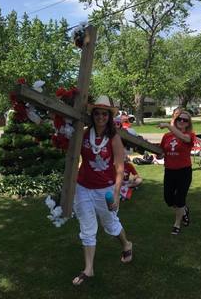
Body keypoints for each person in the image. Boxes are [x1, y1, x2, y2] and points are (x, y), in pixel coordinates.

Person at [72, 97, 133, 286]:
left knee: (110, 223)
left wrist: (116, 193)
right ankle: (88, 269)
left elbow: (120, 168)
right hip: (83, 187)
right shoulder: (83, 134)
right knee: (87, 227)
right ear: (92, 115)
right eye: (97, 113)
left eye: (104, 113)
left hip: (105, 189)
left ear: (109, 116)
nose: (100, 116)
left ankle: (126, 244)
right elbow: (71, 153)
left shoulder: (114, 138)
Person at [158, 111, 196, 235]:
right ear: (176, 119)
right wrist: (157, 154)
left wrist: (169, 126)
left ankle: (177, 224)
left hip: (184, 171)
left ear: (188, 124)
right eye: (179, 118)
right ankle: (184, 210)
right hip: (169, 171)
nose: (181, 121)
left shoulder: (190, 135)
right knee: (168, 199)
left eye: (185, 120)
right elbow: (162, 152)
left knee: (179, 199)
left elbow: (184, 138)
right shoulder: (166, 136)